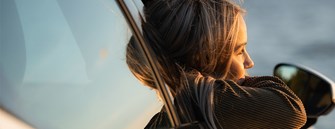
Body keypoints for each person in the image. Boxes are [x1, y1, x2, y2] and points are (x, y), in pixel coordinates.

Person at [125, 0, 306, 128]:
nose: (249, 62)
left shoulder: (161, 120)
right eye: (239, 51)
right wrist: (242, 84)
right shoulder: (210, 103)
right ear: (206, 59)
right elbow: (292, 111)